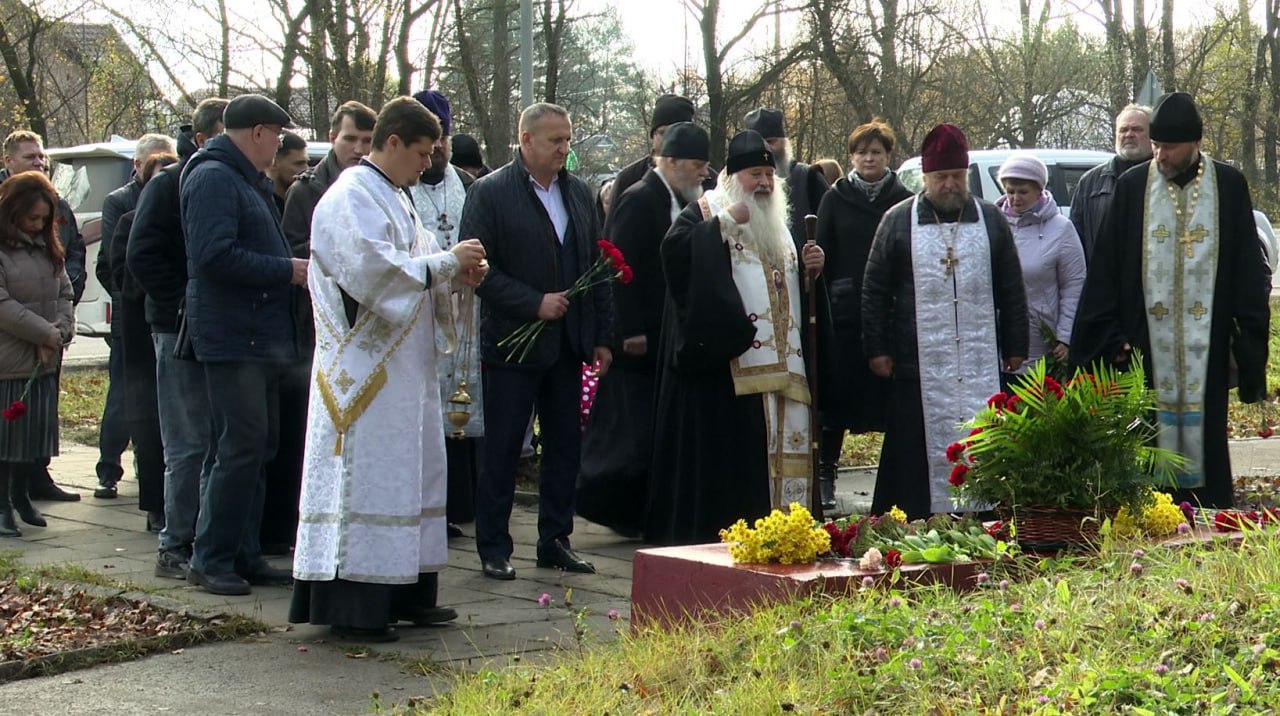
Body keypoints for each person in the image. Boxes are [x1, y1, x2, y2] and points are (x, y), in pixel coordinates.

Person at [290, 96, 487, 643]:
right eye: (422, 153)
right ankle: (358, 606)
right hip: (363, 374)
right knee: (372, 481)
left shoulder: (396, 197)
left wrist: (456, 275)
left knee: (415, 475)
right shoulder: (350, 197)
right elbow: (372, 272)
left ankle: (407, 593)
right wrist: (447, 263)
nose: (428, 165)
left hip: (404, 371)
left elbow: (421, 267)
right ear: (392, 142)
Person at [1071, 92, 1271, 509]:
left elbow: (1247, 269)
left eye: (1169, 147)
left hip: (1208, 338)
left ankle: (1210, 503)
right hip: (1147, 341)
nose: (1159, 154)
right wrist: (1111, 335)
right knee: (1147, 427)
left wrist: (1245, 340)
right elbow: (1107, 268)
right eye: (1156, 145)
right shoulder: (1133, 187)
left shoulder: (1228, 185)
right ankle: (1152, 507)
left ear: (1195, 143)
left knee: (1208, 426)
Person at [645, 130, 830, 546]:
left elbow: (788, 295)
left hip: (787, 377)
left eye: (769, 174)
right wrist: (724, 224)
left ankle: (789, 543)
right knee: (738, 475)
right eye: (754, 174)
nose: (764, 183)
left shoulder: (780, 227)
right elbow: (674, 255)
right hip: (728, 380)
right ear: (731, 176)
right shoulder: (705, 212)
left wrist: (810, 273)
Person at [462, 102, 613, 580]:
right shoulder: (490, 193)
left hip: (568, 346)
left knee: (564, 447)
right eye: (555, 141)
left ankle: (555, 539)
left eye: (568, 140)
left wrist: (601, 336)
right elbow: (477, 271)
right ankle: (493, 545)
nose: (564, 149)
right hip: (513, 343)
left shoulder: (579, 193)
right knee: (504, 448)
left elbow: (597, 268)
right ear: (526, 140)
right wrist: (534, 303)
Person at [862, 123, 1028, 521]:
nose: (950, 185)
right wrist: (877, 349)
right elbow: (874, 290)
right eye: (941, 178)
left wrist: (1016, 345)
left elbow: (1011, 285)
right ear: (927, 179)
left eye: (956, 177)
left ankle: (984, 521)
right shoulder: (898, 221)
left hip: (979, 363)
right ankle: (915, 521)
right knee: (914, 451)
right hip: (916, 365)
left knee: (982, 437)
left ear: (966, 175)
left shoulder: (990, 220)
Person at [180, 93, 306, 595]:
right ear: (257, 132)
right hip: (233, 338)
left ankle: (243, 552)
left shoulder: (242, 179)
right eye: (277, 135)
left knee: (258, 445)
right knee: (238, 446)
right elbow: (214, 256)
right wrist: (286, 270)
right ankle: (209, 557)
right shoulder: (213, 177)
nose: (279, 146)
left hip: (258, 338)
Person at [578, 122, 710, 538]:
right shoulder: (640, 200)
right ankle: (612, 505)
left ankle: (641, 508)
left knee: (648, 433)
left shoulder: (675, 198)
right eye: (696, 164)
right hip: (638, 340)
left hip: (662, 335)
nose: (703, 173)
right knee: (627, 435)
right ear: (670, 161)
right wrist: (628, 329)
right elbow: (619, 267)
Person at [269, 102, 377, 557]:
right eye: (350, 139)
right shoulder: (308, 190)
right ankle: (288, 527)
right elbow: (301, 250)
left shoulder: (376, 187)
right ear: (333, 137)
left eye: (366, 142)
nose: (357, 149)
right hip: (318, 329)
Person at [128, 97, 227, 578]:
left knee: (215, 442)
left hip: (218, 329)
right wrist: (183, 302)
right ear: (208, 137)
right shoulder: (169, 184)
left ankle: (208, 541)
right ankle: (175, 543)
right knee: (187, 443)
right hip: (176, 328)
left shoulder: (224, 182)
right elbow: (142, 254)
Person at [814, 120, 914, 511]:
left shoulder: (903, 199)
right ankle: (826, 472)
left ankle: (893, 479)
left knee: (891, 399)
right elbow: (823, 250)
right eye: (861, 152)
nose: (868, 158)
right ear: (851, 157)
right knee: (837, 398)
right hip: (845, 314)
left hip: (891, 314)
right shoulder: (834, 199)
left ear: (888, 156)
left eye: (876, 152)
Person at [408, 89, 480, 539]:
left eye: (442, 141)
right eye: (427, 144)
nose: (435, 152)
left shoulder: (471, 187)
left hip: (465, 312)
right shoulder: (397, 187)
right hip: (418, 312)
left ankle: (457, 506)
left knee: (462, 404)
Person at [1, 131, 86, 503]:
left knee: (37, 425)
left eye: (42, 157)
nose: (40, 163)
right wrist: (43, 334)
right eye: (30, 157)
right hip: (13, 350)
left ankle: (32, 486)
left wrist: (61, 329)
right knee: (10, 430)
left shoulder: (54, 214)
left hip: (48, 343)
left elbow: (68, 273)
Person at [92, 133, 175, 511]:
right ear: (138, 166)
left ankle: (150, 474)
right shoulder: (120, 203)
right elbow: (114, 263)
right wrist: (128, 300)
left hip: (162, 319)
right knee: (126, 395)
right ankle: (108, 469)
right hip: (132, 318)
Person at [995, 152, 1086, 379]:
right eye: (1010, 191)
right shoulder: (994, 225)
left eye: (1023, 192)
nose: (1015, 198)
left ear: (1039, 190)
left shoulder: (1061, 229)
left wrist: (1065, 336)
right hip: (997, 343)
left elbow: (1074, 285)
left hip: (1043, 345)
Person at [1070, 104, 1152, 262]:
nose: (1129, 134)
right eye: (1123, 130)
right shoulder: (1090, 182)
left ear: (1152, 134)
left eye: (1137, 129)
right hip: (1103, 278)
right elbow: (1075, 238)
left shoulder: (1162, 178)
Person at [743, 107, 830, 254]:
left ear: (784, 142)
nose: (766, 150)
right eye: (759, 143)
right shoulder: (740, 186)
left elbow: (829, 231)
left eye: (771, 142)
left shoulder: (810, 179)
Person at [609, 94, 698, 205]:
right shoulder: (628, 179)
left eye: (678, 133)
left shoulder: (707, 181)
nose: (670, 140)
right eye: (663, 133)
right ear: (653, 135)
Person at [266, 131, 310, 212]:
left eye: (307, 163)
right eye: (299, 163)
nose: (306, 170)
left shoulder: (305, 203)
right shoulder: (260, 206)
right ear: (273, 163)